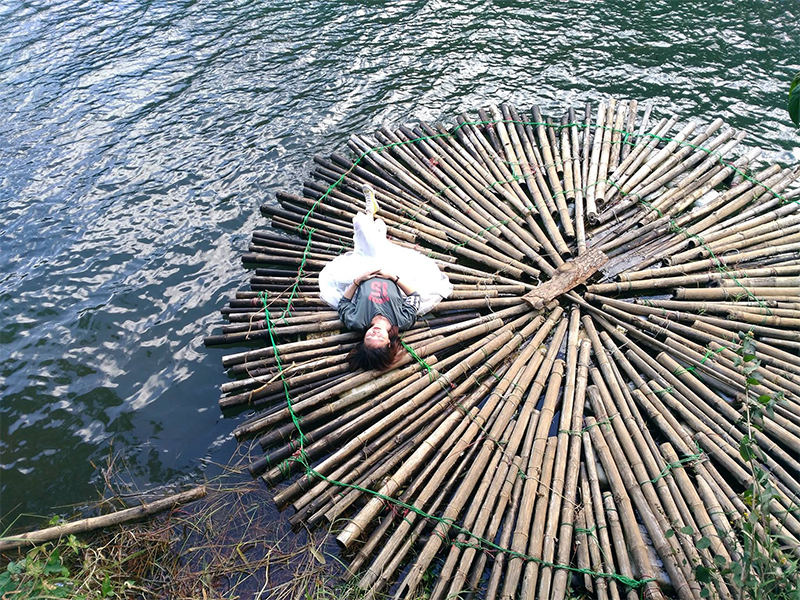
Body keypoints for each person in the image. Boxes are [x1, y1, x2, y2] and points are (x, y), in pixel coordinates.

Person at [318, 185, 452, 371]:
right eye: (379, 339)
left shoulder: (356, 321)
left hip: (362, 271)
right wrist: (393, 277)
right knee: (365, 232)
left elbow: (343, 304)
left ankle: (371, 213)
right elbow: (414, 296)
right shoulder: (402, 319)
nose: (374, 333)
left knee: (364, 233)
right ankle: (370, 212)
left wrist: (358, 280)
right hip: (393, 270)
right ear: (389, 342)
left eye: (369, 337)